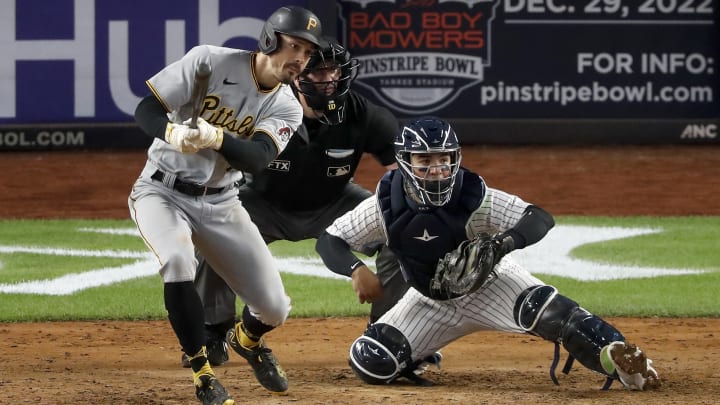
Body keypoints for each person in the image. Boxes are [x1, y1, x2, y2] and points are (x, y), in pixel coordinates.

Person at [315, 117, 662, 390]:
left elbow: (539, 216)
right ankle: (417, 354)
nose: (437, 169)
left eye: (444, 160)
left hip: (490, 285)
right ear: (405, 163)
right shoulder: (385, 206)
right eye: (425, 161)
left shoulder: (474, 197)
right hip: (427, 302)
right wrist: (356, 269)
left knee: (557, 316)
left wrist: (504, 243)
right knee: (372, 361)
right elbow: (330, 240)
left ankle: (627, 364)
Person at [128, 6, 322, 404]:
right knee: (179, 261)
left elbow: (256, 158)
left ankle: (247, 340)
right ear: (271, 40)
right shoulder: (209, 61)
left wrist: (216, 138)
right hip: (160, 192)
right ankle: (202, 374)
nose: (301, 58)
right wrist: (172, 131)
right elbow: (146, 108)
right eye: (295, 45)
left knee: (274, 308)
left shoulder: (286, 105)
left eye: (307, 51)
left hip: (222, 203)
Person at [183, 37, 406, 369]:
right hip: (261, 202)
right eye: (317, 73)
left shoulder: (364, 115)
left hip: (334, 201)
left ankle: (388, 331)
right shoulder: (264, 106)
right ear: (297, 75)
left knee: (400, 227)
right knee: (211, 226)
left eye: (332, 72)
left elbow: (400, 176)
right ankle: (212, 332)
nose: (328, 80)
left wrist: (410, 215)